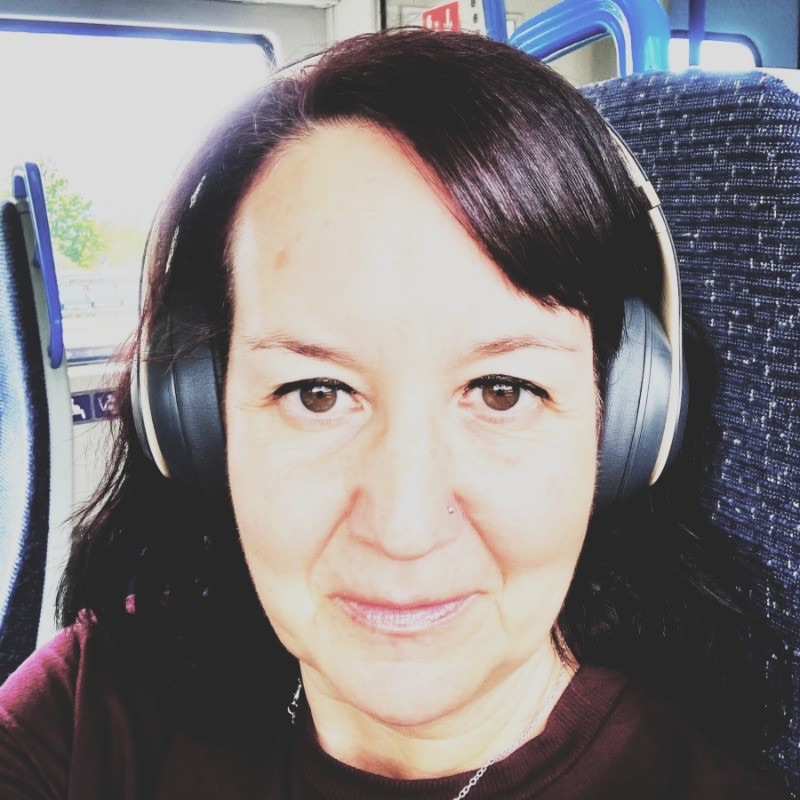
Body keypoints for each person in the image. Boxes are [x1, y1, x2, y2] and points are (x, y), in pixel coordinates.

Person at [0, 28, 790, 799]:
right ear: (198, 421)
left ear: (624, 430)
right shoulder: (92, 711)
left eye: (501, 391)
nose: (404, 528)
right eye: (317, 393)